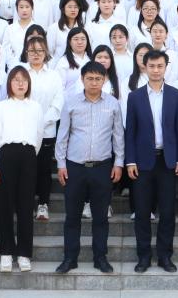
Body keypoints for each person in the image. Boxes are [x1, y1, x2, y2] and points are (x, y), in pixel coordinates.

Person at [55, 61, 125, 275]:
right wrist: (61, 164)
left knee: (101, 217)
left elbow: (118, 136)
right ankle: (70, 258)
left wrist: (119, 163)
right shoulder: (71, 103)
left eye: (98, 79)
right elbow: (62, 136)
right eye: (90, 78)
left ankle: (100, 257)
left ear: (104, 80)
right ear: (82, 79)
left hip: (102, 167)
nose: (94, 82)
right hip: (75, 167)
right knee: (72, 216)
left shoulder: (113, 104)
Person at [124, 49, 178, 273]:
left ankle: (164, 256)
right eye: (151, 66)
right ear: (145, 67)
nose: (155, 70)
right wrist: (130, 161)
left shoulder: (175, 95)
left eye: (160, 66)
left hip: (168, 162)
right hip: (142, 163)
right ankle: (143, 257)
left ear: (165, 67)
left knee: (168, 212)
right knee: (142, 212)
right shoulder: (135, 97)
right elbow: (130, 132)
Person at [0, 66, 44, 273]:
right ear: (9, 83)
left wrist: (29, 155)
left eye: (24, 80)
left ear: (29, 83)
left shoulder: (35, 107)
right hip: (6, 155)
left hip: (28, 155)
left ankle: (23, 254)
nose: (20, 84)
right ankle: (6, 252)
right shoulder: (1, 107)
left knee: (25, 206)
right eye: (16, 80)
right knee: (4, 206)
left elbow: (39, 135)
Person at [23, 36, 63, 222]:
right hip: (24, 131)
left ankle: (43, 204)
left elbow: (57, 103)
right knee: (26, 169)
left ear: (46, 52)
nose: (36, 54)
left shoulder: (53, 76)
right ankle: (25, 203)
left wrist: (40, 122)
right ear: (26, 52)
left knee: (44, 169)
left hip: (46, 131)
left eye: (40, 50)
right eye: (32, 51)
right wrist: (30, 123)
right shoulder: (21, 73)